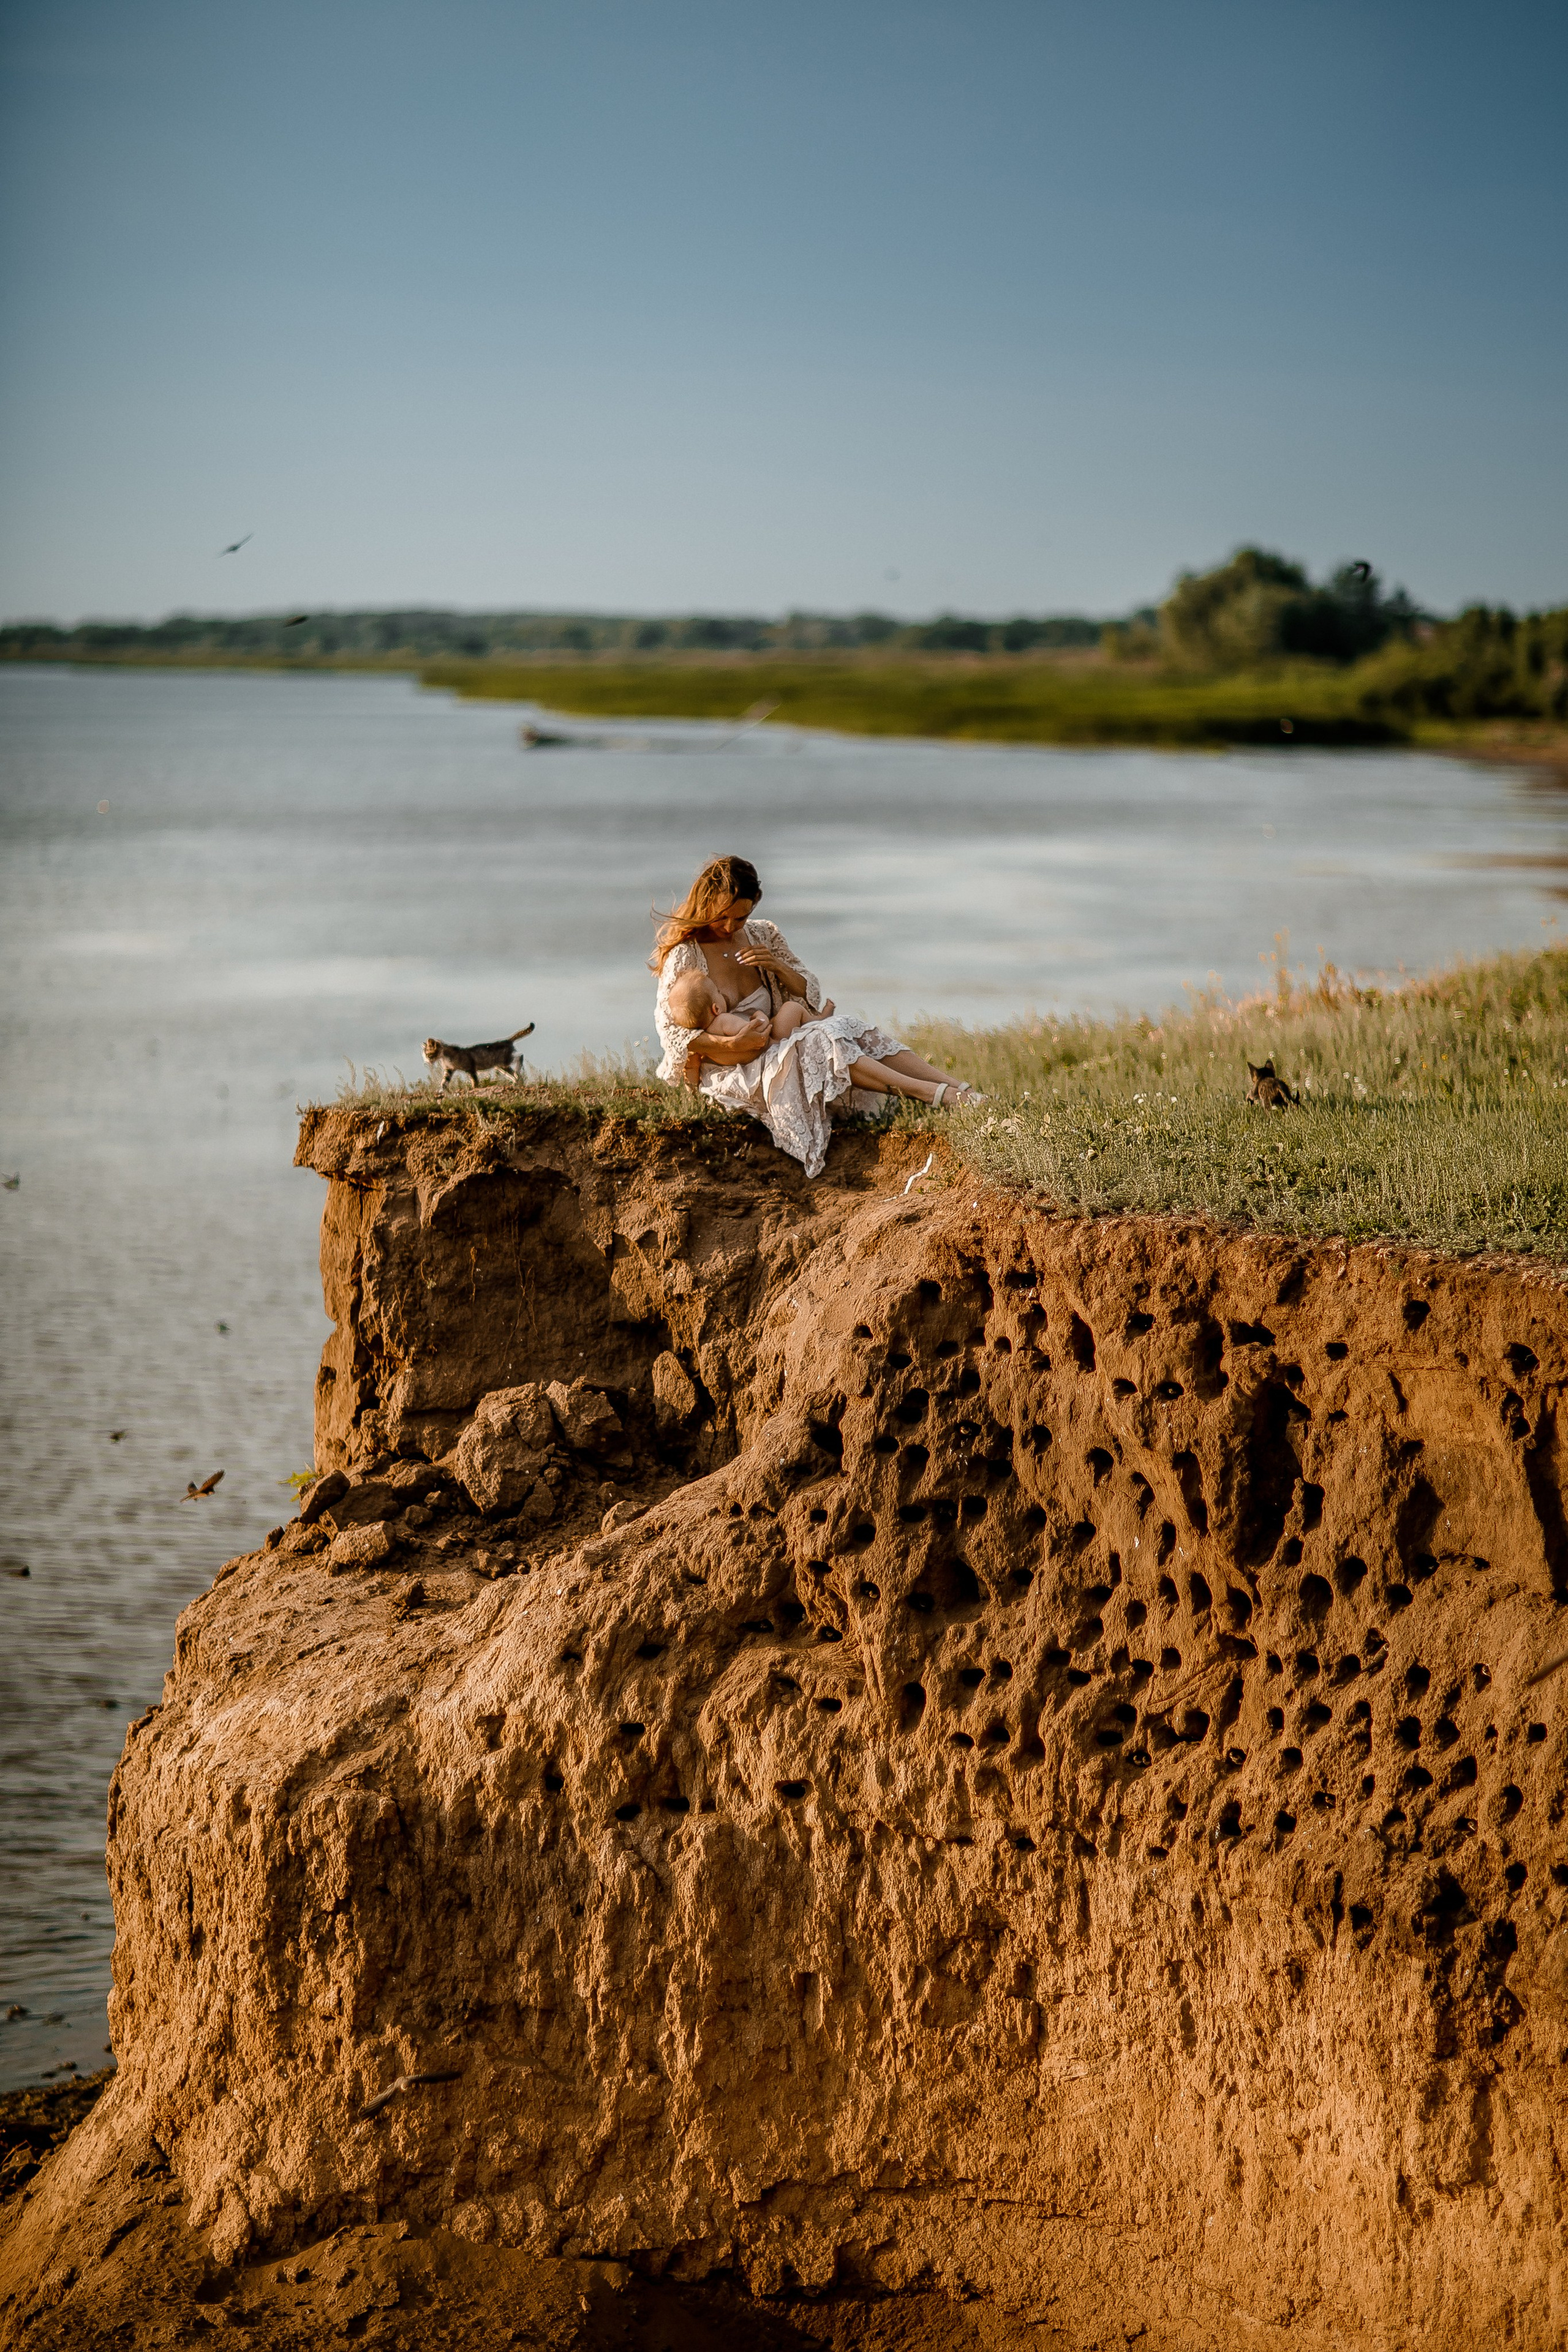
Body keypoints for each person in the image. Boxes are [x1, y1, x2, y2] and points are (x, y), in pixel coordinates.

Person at [651, 853, 982, 1180]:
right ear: (708, 902)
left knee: (848, 1026)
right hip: (736, 1067)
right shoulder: (686, 955)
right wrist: (735, 1041)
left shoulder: (762, 934)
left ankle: (962, 1090)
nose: (730, 926)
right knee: (822, 1040)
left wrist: (776, 966)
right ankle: (930, 1094)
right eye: (724, 916)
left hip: (778, 1043)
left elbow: (808, 991)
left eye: (740, 918)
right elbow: (673, 1035)